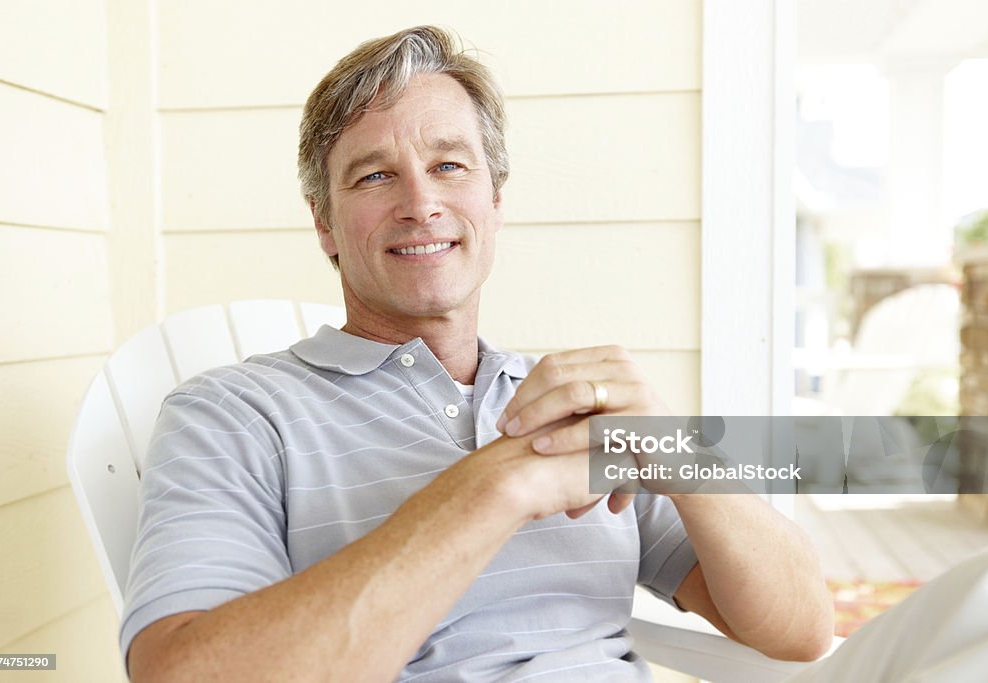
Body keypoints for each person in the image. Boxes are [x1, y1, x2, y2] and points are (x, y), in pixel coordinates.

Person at [120, 26, 834, 682]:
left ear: (495, 199)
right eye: (374, 176)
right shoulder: (233, 416)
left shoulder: (574, 405)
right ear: (325, 224)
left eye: (450, 165)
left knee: (946, 631)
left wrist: (679, 453)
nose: (421, 202)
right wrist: (495, 489)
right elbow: (181, 671)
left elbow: (803, 627)